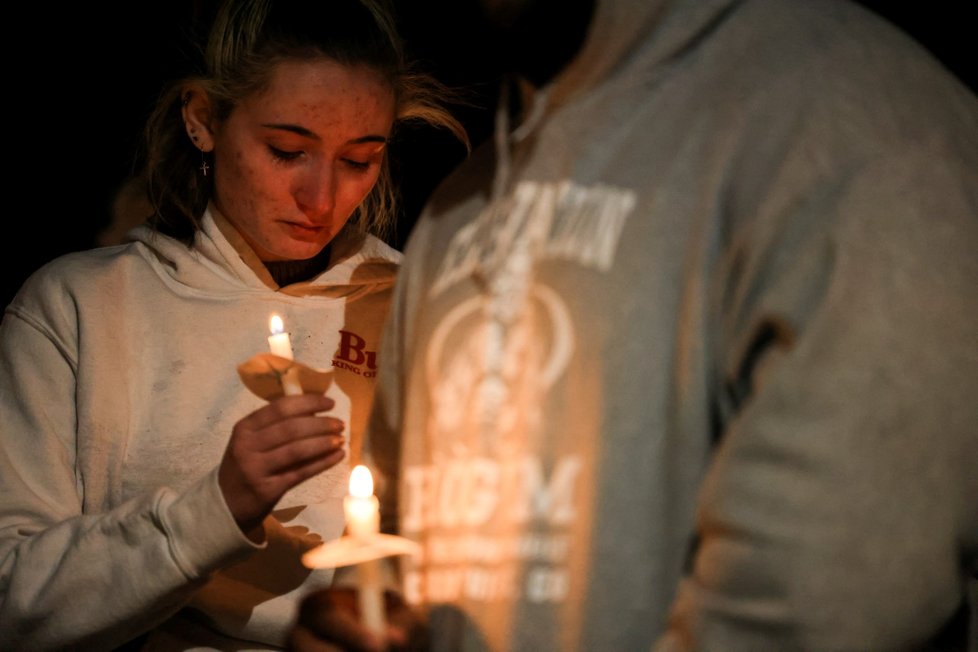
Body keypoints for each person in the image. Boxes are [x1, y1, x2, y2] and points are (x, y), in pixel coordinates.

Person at [287, 0, 978, 650]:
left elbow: (814, 609)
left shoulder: (861, 130)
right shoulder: (457, 211)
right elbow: (397, 541)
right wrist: (365, 617)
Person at [0, 0, 467, 648]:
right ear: (202, 119)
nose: (322, 198)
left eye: (359, 160)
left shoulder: (423, 308)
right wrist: (214, 509)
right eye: (287, 150)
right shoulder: (80, 308)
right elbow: (13, 602)